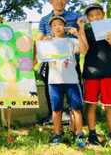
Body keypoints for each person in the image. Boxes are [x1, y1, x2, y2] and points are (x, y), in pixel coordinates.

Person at [34, 0, 82, 125]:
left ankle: (75, 124)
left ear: (66, 1)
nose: (60, 1)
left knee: (74, 94)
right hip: (52, 64)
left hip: (71, 64)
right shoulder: (44, 20)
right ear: (51, 1)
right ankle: (54, 119)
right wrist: (35, 58)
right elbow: (38, 39)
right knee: (53, 94)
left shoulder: (76, 17)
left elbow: (94, 23)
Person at [81, 3, 111, 146]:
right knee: (91, 105)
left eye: (98, 14)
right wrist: (81, 29)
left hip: (108, 73)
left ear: (103, 15)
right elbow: (83, 51)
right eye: (91, 16)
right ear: (88, 19)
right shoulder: (87, 32)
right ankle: (92, 136)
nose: (95, 17)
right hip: (90, 74)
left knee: (110, 105)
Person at [40, 15, 87, 147]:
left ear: (65, 26)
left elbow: (84, 51)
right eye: (54, 25)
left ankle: (79, 136)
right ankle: (57, 135)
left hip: (71, 80)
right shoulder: (47, 43)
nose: (57, 27)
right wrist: (45, 42)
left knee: (76, 109)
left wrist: (78, 34)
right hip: (54, 81)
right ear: (51, 29)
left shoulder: (71, 41)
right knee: (56, 110)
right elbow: (39, 57)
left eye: (60, 24)